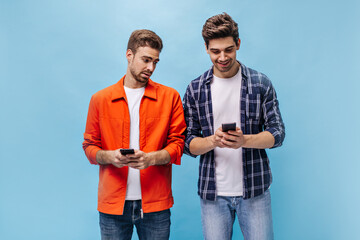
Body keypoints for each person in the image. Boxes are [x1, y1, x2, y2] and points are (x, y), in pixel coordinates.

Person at [183, 13, 285, 240]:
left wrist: (244, 140)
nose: (222, 57)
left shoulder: (260, 83)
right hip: (213, 195)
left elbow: (278, 133)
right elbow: (187, 143)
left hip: (255, 192)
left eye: (228, 49)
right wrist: (212, 140)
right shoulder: (195, 89)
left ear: (238, 44)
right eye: (215, 51)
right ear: (206, 48)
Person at [83, 29, 186, 240]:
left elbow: (178, 145)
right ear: (129, 55)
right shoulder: (100, 99)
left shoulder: (170, 97)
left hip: (156, 205)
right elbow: (90, 146)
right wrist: (111, 156)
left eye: (155, 62)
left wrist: (151, 158)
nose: (151, 68)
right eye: (146, 60)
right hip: (113, 206)